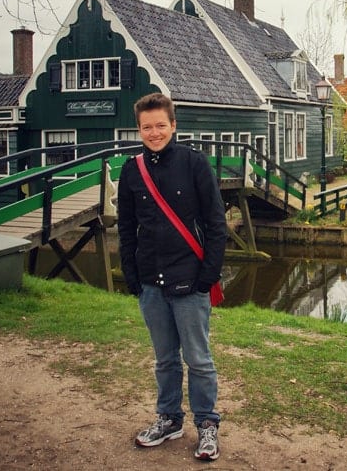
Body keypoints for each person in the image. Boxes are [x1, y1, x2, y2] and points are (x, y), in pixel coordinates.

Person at [117, 92, 227, 461]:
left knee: (198, 359)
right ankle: (169, 419)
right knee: (164, 359)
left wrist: (207, 275)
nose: (154, 132)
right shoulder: (132, 170)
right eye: (147, 127)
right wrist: (132, 274)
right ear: (139, 129)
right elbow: (127, 226)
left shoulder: (195, 164)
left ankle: (207, 424)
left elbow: (215, 223)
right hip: (151, 280)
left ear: (173, 125)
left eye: (160, 125)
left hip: (189, 279)